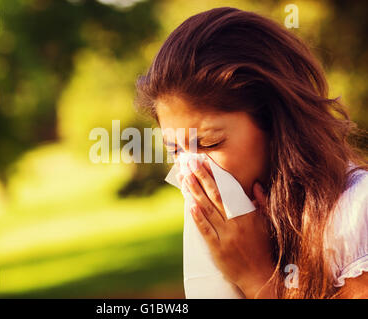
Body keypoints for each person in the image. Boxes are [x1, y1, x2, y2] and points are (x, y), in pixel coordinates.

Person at [134, 7, 368, 298]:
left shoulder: (356, 216)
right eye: (175, 150)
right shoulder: (237, 231)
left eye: (208, 143)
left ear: (274, 122)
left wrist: (256, 278)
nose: (190, 170)